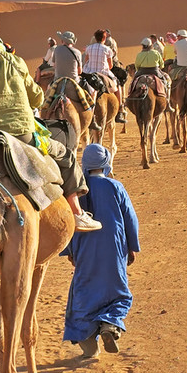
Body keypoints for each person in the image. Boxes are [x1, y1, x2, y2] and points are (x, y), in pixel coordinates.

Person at [0, 9, 101, 232]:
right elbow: (37, 97)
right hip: (23, 135)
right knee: (65, 155)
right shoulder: (17, 62)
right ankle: (78, 213)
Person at [61, 143, 140, 358]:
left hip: (84, 250)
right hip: (114, 248)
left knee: (83, 295)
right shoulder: (116, 187)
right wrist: (132, 246)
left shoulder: (75, 192)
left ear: (84, 165)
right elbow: (130, 219)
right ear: (105, 163)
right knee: (117, 290)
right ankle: (110, 324)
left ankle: (89, 344)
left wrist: (69, 251)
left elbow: (68, 221)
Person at [83, 30, 124, 125]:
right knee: (117, 84)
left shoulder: (89, 48)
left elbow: (86, 61)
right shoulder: (107, 49)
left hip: (89, 72)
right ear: (104, 38)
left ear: (95, 38)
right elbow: (110, 66)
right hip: (103, 73)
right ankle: (120, 110)